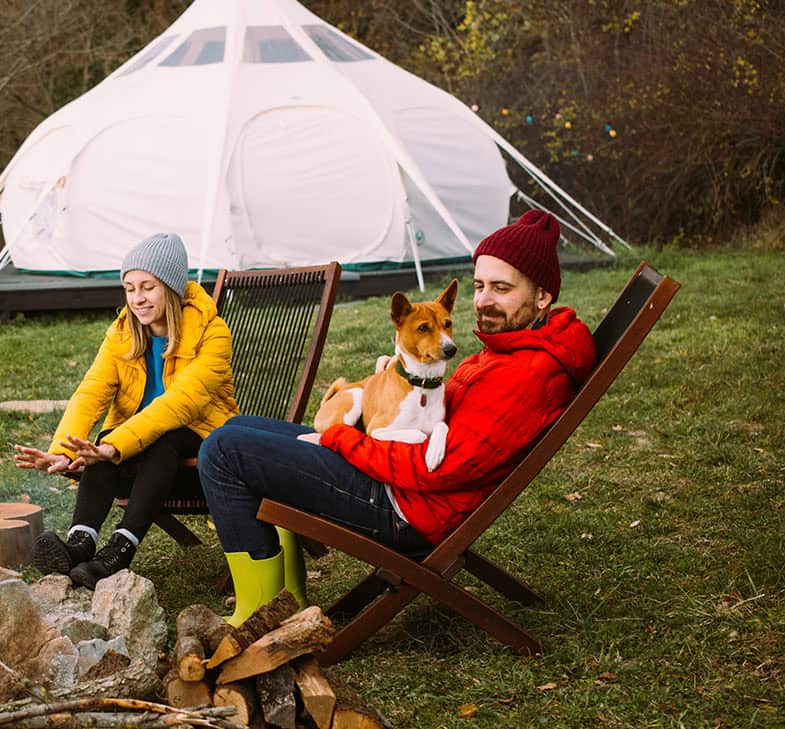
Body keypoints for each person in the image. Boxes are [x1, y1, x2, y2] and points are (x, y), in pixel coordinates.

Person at [197, 210, 597, 624]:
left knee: (224, 451)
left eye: (501, 288)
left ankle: (257, 614)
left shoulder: (529, 373)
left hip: (405, 507)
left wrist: (343, 438)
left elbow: (436, 471)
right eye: (479, 286)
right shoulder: (517, 345)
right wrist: (398, 384)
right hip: (399, 479)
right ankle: (289, 598)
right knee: (238, 428)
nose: (482, 300)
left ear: (542, 296)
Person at [14, 233, 239, 589]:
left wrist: (115, 446)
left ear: (171, 287)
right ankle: (79, 544)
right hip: (135, 458)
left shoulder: (213, 333)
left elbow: (181, 403)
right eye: (130, 288)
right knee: (106, 439)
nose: (137, 298)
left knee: (162, 439)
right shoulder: (122, 334)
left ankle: (120, 549)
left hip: (201, 452)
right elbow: (91, 392)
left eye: (148, 287)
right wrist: (63, 450)